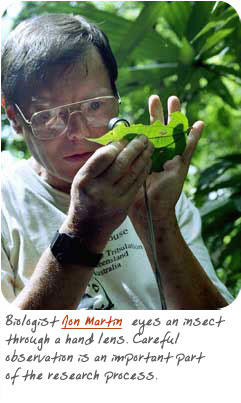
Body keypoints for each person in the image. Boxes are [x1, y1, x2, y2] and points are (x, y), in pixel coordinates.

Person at [1, 13, 233, 310]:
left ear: (115, 92)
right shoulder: (6, 206)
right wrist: (82, 230)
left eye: (95, 105)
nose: (79, 133)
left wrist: (159, 223)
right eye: (48, 115)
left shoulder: (155, 186)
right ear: (13, 117)